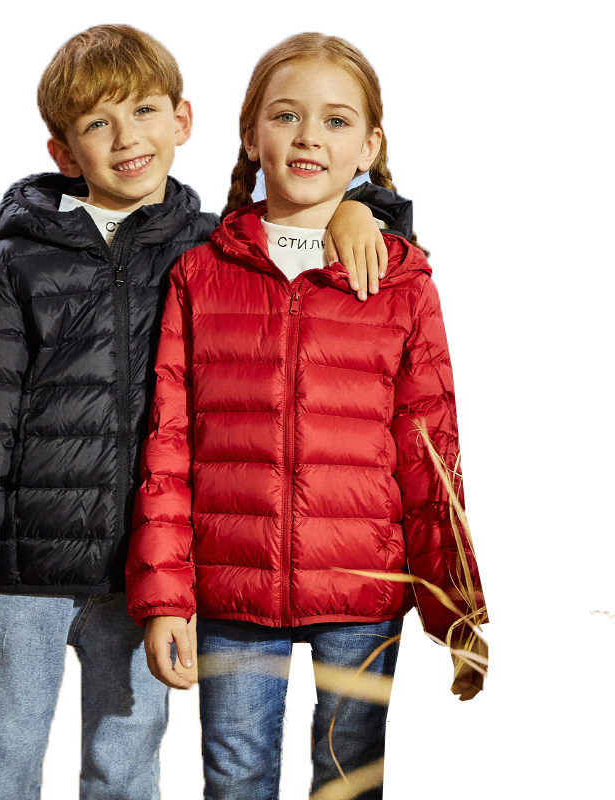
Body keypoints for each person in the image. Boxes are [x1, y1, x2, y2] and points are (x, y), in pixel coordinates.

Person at [0, 24, 410, 800]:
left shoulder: (212, 249)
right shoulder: (14, 264)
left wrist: (363, 209)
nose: (126, 138)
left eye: (144, 110)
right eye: (98, 122)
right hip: (20, 570)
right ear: (63, 152)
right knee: (4, 762)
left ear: (182, 120)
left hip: (144, 578)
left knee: (127, 766)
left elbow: (311, 236)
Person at [126, 32, 487, 800]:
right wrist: (166, 596)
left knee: (349, 781)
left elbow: (432, 449)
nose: (308, 137)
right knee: (235, 779)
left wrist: (456, 608)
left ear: (369, 146)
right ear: (251, 135)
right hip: (231, 589)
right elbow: (167, 444)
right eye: (287, 116)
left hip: (362, 593)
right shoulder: (200, 273)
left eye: (335, 120)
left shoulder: (403, 280)